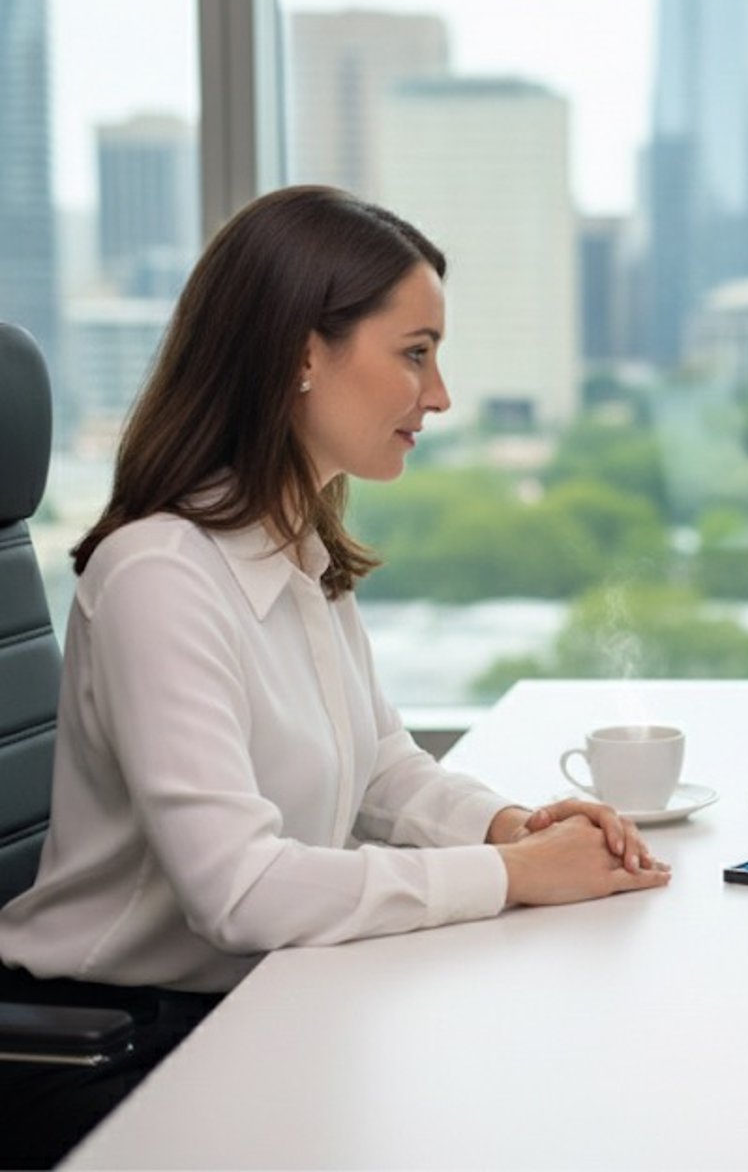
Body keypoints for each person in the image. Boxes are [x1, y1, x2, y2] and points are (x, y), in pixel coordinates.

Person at [0, 186, 669, 1164]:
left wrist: (509, 824)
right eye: (414, 351)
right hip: (117, 1051)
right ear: (301, 353)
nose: (438, 394)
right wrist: (511, 876)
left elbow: (381, 769)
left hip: (252, 1005)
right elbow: (242, 893)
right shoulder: (159, 577)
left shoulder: (296, 549)